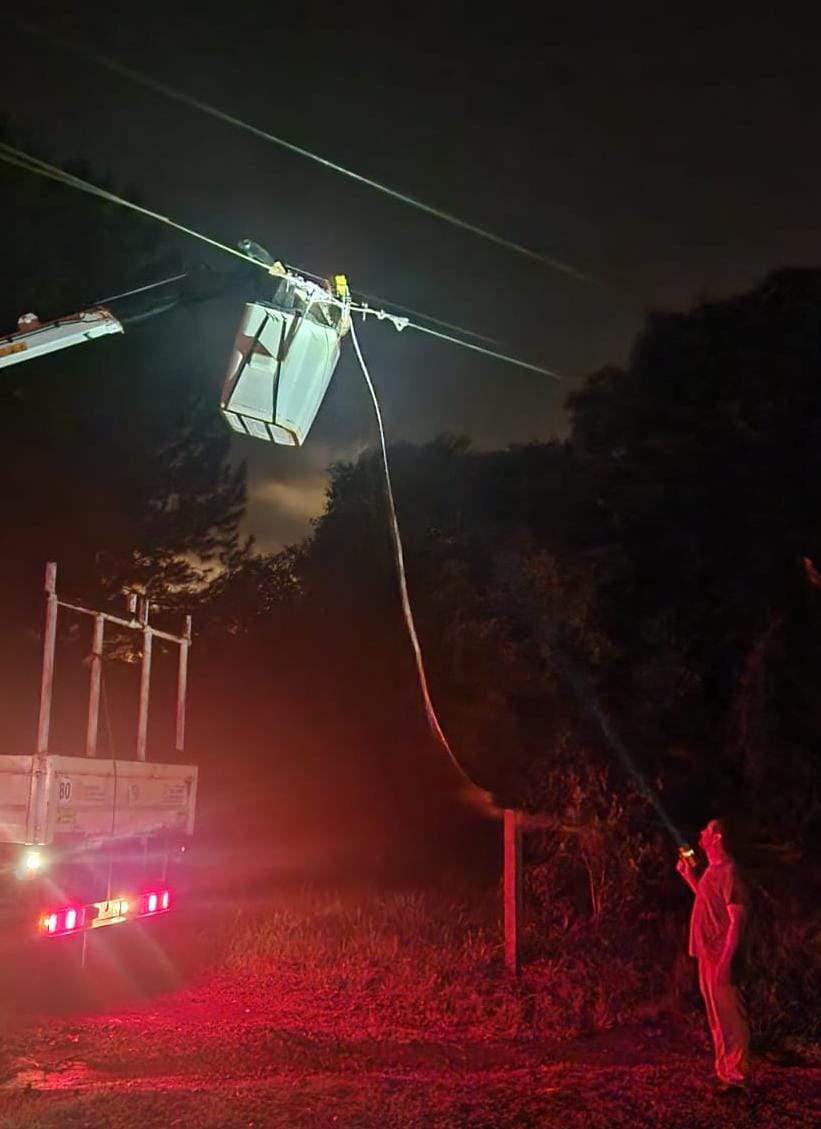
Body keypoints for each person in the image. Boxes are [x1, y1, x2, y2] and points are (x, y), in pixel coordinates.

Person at [676, 818, 750, 1090]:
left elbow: (737, 919)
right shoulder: (712, 870)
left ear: (718, 837)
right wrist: (689, 877)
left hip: (720, 956)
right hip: (707, 954)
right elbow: (707, 902)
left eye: (706, 830)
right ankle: (725, 1072)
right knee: (717, 1017)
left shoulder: (730, 872)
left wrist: (726, 961)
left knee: (730, 1016)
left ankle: (736, 1073)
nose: (701, 833)